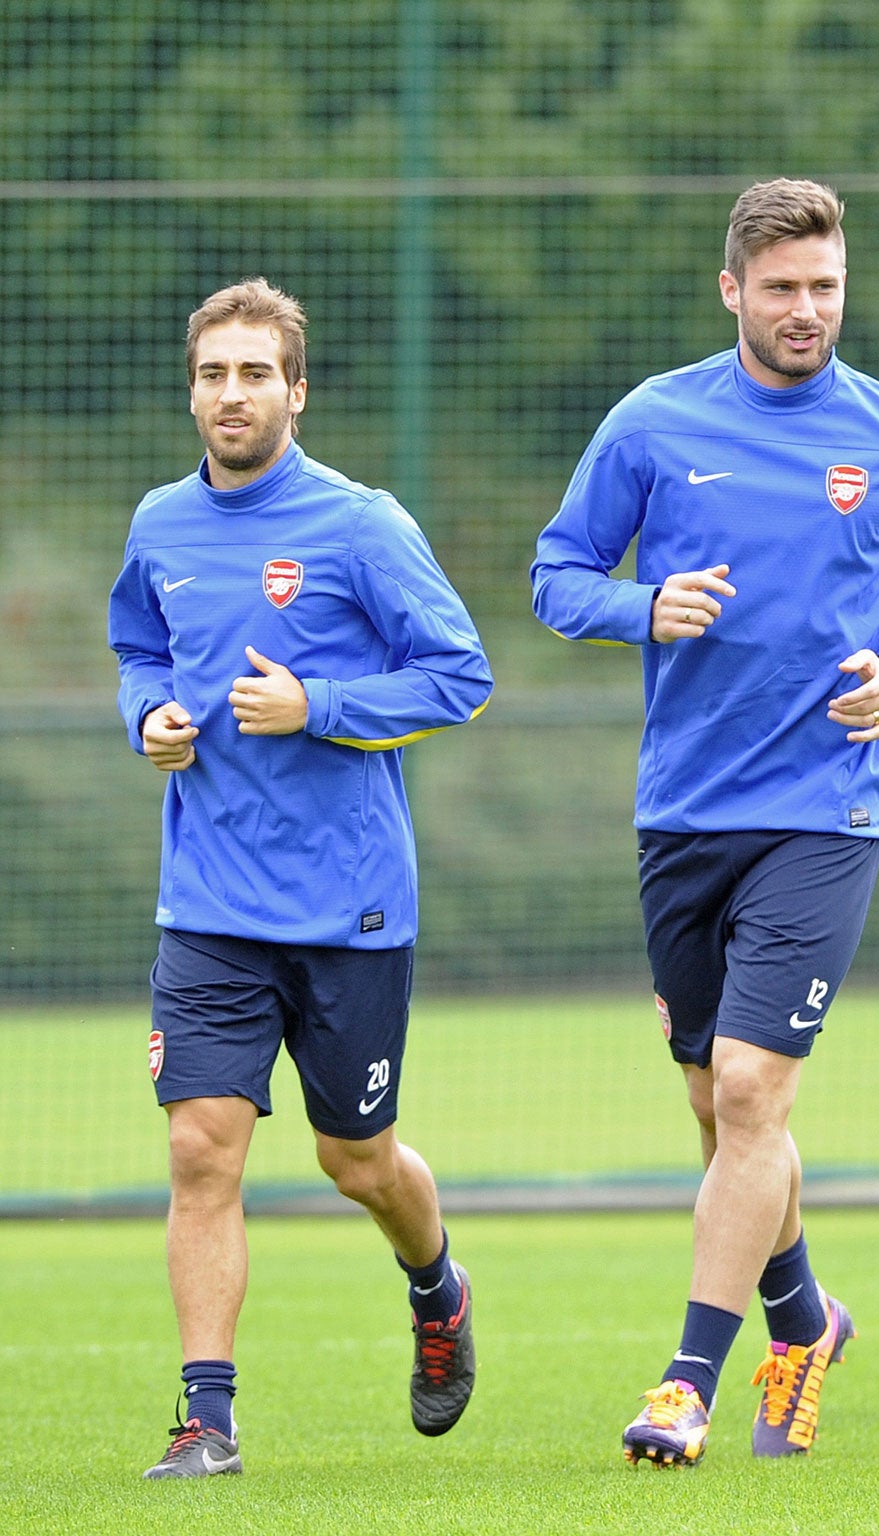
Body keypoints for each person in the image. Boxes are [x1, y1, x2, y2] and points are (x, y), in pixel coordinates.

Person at [531, 179, 879, 1467]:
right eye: (781, 289)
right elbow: (557, 576)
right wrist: (643, 607)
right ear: (732, 290)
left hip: (826, 810)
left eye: (825, 288)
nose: (806, 310)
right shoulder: (653, 422)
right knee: (718, 1105)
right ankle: (805, 1315)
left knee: (747, 1088)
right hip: (684, 810)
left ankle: (688, 1381)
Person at [109, 278, 494, 1478]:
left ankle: (436, 1287)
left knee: (355, 1160)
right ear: (193, 389)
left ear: (296, 389)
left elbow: (459, 675)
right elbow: (135, 647)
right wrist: (149, 717)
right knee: (200, 1149)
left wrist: (315, 706)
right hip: (209, 905)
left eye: (255, 373)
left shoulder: (361, 524)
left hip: (349, 906)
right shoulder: (159, 526)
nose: (233, 393)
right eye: (215, 373)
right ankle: (206, 1420)